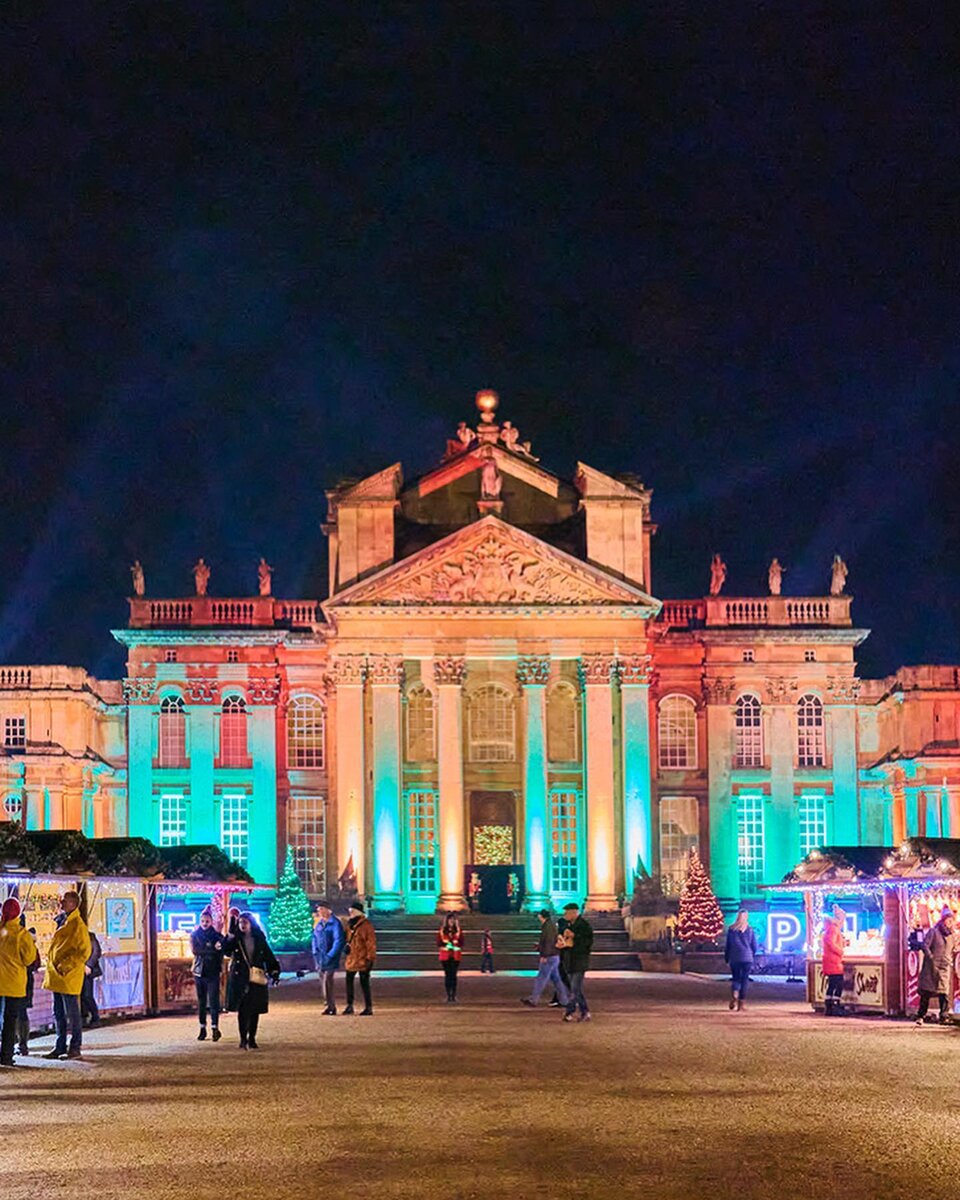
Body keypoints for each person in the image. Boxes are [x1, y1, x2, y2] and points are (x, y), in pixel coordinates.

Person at [43, 890, 91, 1060]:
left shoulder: (77, 925)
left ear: (73, 903)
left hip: (67, 975)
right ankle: (60, 1046)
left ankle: (75, 1047)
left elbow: (84, 951)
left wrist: (65, 966)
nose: (61, 903)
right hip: (58, 975)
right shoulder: (65, 921)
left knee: (72, 1013)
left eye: (64, 901)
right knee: (59, 1013)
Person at [223, 910, 280, 1049]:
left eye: (245, 922)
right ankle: (243, 1038)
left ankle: (252, 1038)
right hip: (240, 976)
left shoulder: (259, 938)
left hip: (256, 976)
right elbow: (226, 950)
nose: (243, 925)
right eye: (241, 922)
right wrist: (229, 934)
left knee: (254, 1009)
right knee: (243, 1009)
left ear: (251, 924)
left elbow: (268, 955)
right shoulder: (236, 938)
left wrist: (274, 970)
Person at [0, 898, 38, 1067]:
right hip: (14, 982)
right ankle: (6, 1055)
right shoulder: (22, 935)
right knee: (10, 1020)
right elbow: (29, 958)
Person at [522, 909, 570, 1009]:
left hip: (550, 956)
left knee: (541, 978)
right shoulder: (551, 925)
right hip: (555, 955)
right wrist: (540, 947)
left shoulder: (547, 927)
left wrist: (544, 955)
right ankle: (565, 1000)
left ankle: (533, 1000)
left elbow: (548, 942)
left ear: (541, 916)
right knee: (557, 980)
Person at [916, 907, 956, 1026]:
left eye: (951, 921)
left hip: (944, 966)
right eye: (948, 920)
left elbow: (952, 949)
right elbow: (925, 945)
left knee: (944, 992)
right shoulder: (934, 932)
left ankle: (943, 1016)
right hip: (931, 967)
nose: (950, 923)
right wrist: (930, 957)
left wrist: (950, 959)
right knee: (927, 992)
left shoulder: (951, 935)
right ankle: (921, 1015)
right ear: (943, 920)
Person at [190, 907, 225, 1041]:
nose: (205, 923)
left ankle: (215, 1027)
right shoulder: (195, 935)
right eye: (203, 921)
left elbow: (221, 948)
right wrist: (211, 949)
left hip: (213, 971)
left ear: (211, 921)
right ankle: (202, 1028)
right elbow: (196, 950)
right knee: (202, 1001)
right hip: (200, 972)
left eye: (207, 921)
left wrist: (211, 949)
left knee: (214, 1001)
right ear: (200, 921)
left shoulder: (216, 935)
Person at [560, 902, 593, 1023]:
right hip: (571, 961)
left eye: (567, 912)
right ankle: (585, 1012)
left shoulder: (583, 925)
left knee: (574, 989)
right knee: (575, 990)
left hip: (579, 961)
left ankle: (570, 1012)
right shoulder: (570, 925)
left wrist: (575, 936)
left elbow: (587, 942)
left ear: (574, 912)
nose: (565, 915)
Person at [343, 900, 376, 1016]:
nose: (350, 913)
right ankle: (349, 1005)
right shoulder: (349, 925)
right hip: (352, 958)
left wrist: (370, 958)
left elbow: (370, 943)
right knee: (349, 983)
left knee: (364, 983)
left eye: (352, 911)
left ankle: (368, 1006)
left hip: (362, 958)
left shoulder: (366, 925)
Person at [311, 904, 346, 1015]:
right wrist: (315, 951)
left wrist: (330, 955)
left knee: (327, 981)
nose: (319, 911)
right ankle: (329, 1005)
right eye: (318, 909)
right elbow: (314, 938)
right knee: (323, 982)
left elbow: (338, 941)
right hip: (320, 957)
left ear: (328, 910)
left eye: (321, 909)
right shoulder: (319, 923)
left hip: (330, 957)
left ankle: (331, 1006)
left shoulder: (335, 923)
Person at [724, 910, 758, 1012]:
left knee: (736, 978)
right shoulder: (750, 930)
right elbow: (754, 945)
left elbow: (728, 946)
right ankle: (741, 1004)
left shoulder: (731, 929)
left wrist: (727, 958)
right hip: (747, 958)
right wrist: (752, 955)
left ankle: (735, 993)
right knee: (744, 980)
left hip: (735, 958)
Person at [16, 926, 41, 1056]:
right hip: (23, 981)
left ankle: (17, 1045)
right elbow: (34, 962)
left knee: (11, 1014)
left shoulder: (6, 936)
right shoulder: (26, 939)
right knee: (20, 1013)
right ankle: (22, 1045)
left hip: (12, 981)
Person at [821, 905, 847, 1017]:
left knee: (832, 984)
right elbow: (831, 943)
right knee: (838, 983)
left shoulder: (830, 928)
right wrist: (840, 951)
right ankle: (835, 1005)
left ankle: (829, 1005)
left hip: (830, 960)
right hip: (834, 961)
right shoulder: (834, 928)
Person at [437, 915, 464, 1003]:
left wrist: (455, 945)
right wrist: (446, 945)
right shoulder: (442, 931)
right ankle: (448, 995)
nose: (451, 921)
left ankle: (453, 995)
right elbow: (438, 943)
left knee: (454, 976)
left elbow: (462, 942)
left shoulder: (459, 931)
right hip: (445, 956)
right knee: (448, 975)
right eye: (450, 920)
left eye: (453, 920)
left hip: (455, 956)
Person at [81, 929, 103, 1029]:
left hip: (87, 971)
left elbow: (96, 951)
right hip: (78, 970)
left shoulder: (89, 936)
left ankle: (95, 1017)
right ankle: (85, 1017)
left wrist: (89, 965)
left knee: (87, 995)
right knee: (82, 995)